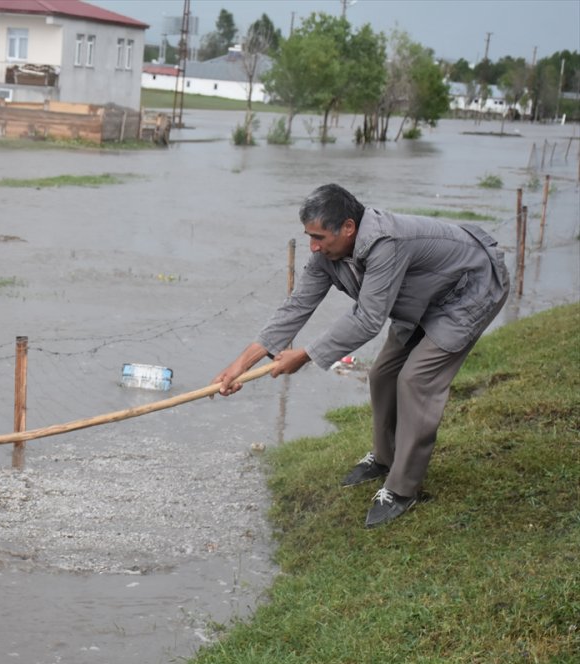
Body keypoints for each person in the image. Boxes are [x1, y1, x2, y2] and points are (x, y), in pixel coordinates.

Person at [212, 183, 509, 528]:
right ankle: (385, 458)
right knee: (382, 374)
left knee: (416, 380)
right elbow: (296, 306)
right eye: (309, 236)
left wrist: (306, 355)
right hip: (420, 299)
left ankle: (403, 488)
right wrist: (240, 365)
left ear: (349, 227)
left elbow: (368, 319)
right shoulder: (327, 256)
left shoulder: (386, 244)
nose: (313, 246)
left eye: (319, 237)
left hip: (468, 290)